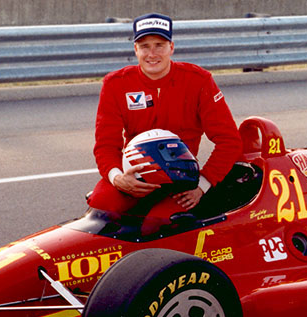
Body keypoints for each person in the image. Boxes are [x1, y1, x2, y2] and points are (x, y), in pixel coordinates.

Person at [89, 12, 243, 215]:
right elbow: (106, 145)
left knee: (159, 221)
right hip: (133, 174)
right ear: (136, 49)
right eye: (145, 46)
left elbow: (229, 141)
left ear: (171, 47)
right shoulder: (115, 84)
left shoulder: (199, 80)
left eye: (159, 45)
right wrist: (118, 178)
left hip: (180, 179)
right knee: (101, 204)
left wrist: (203, 184)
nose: (152, 54)